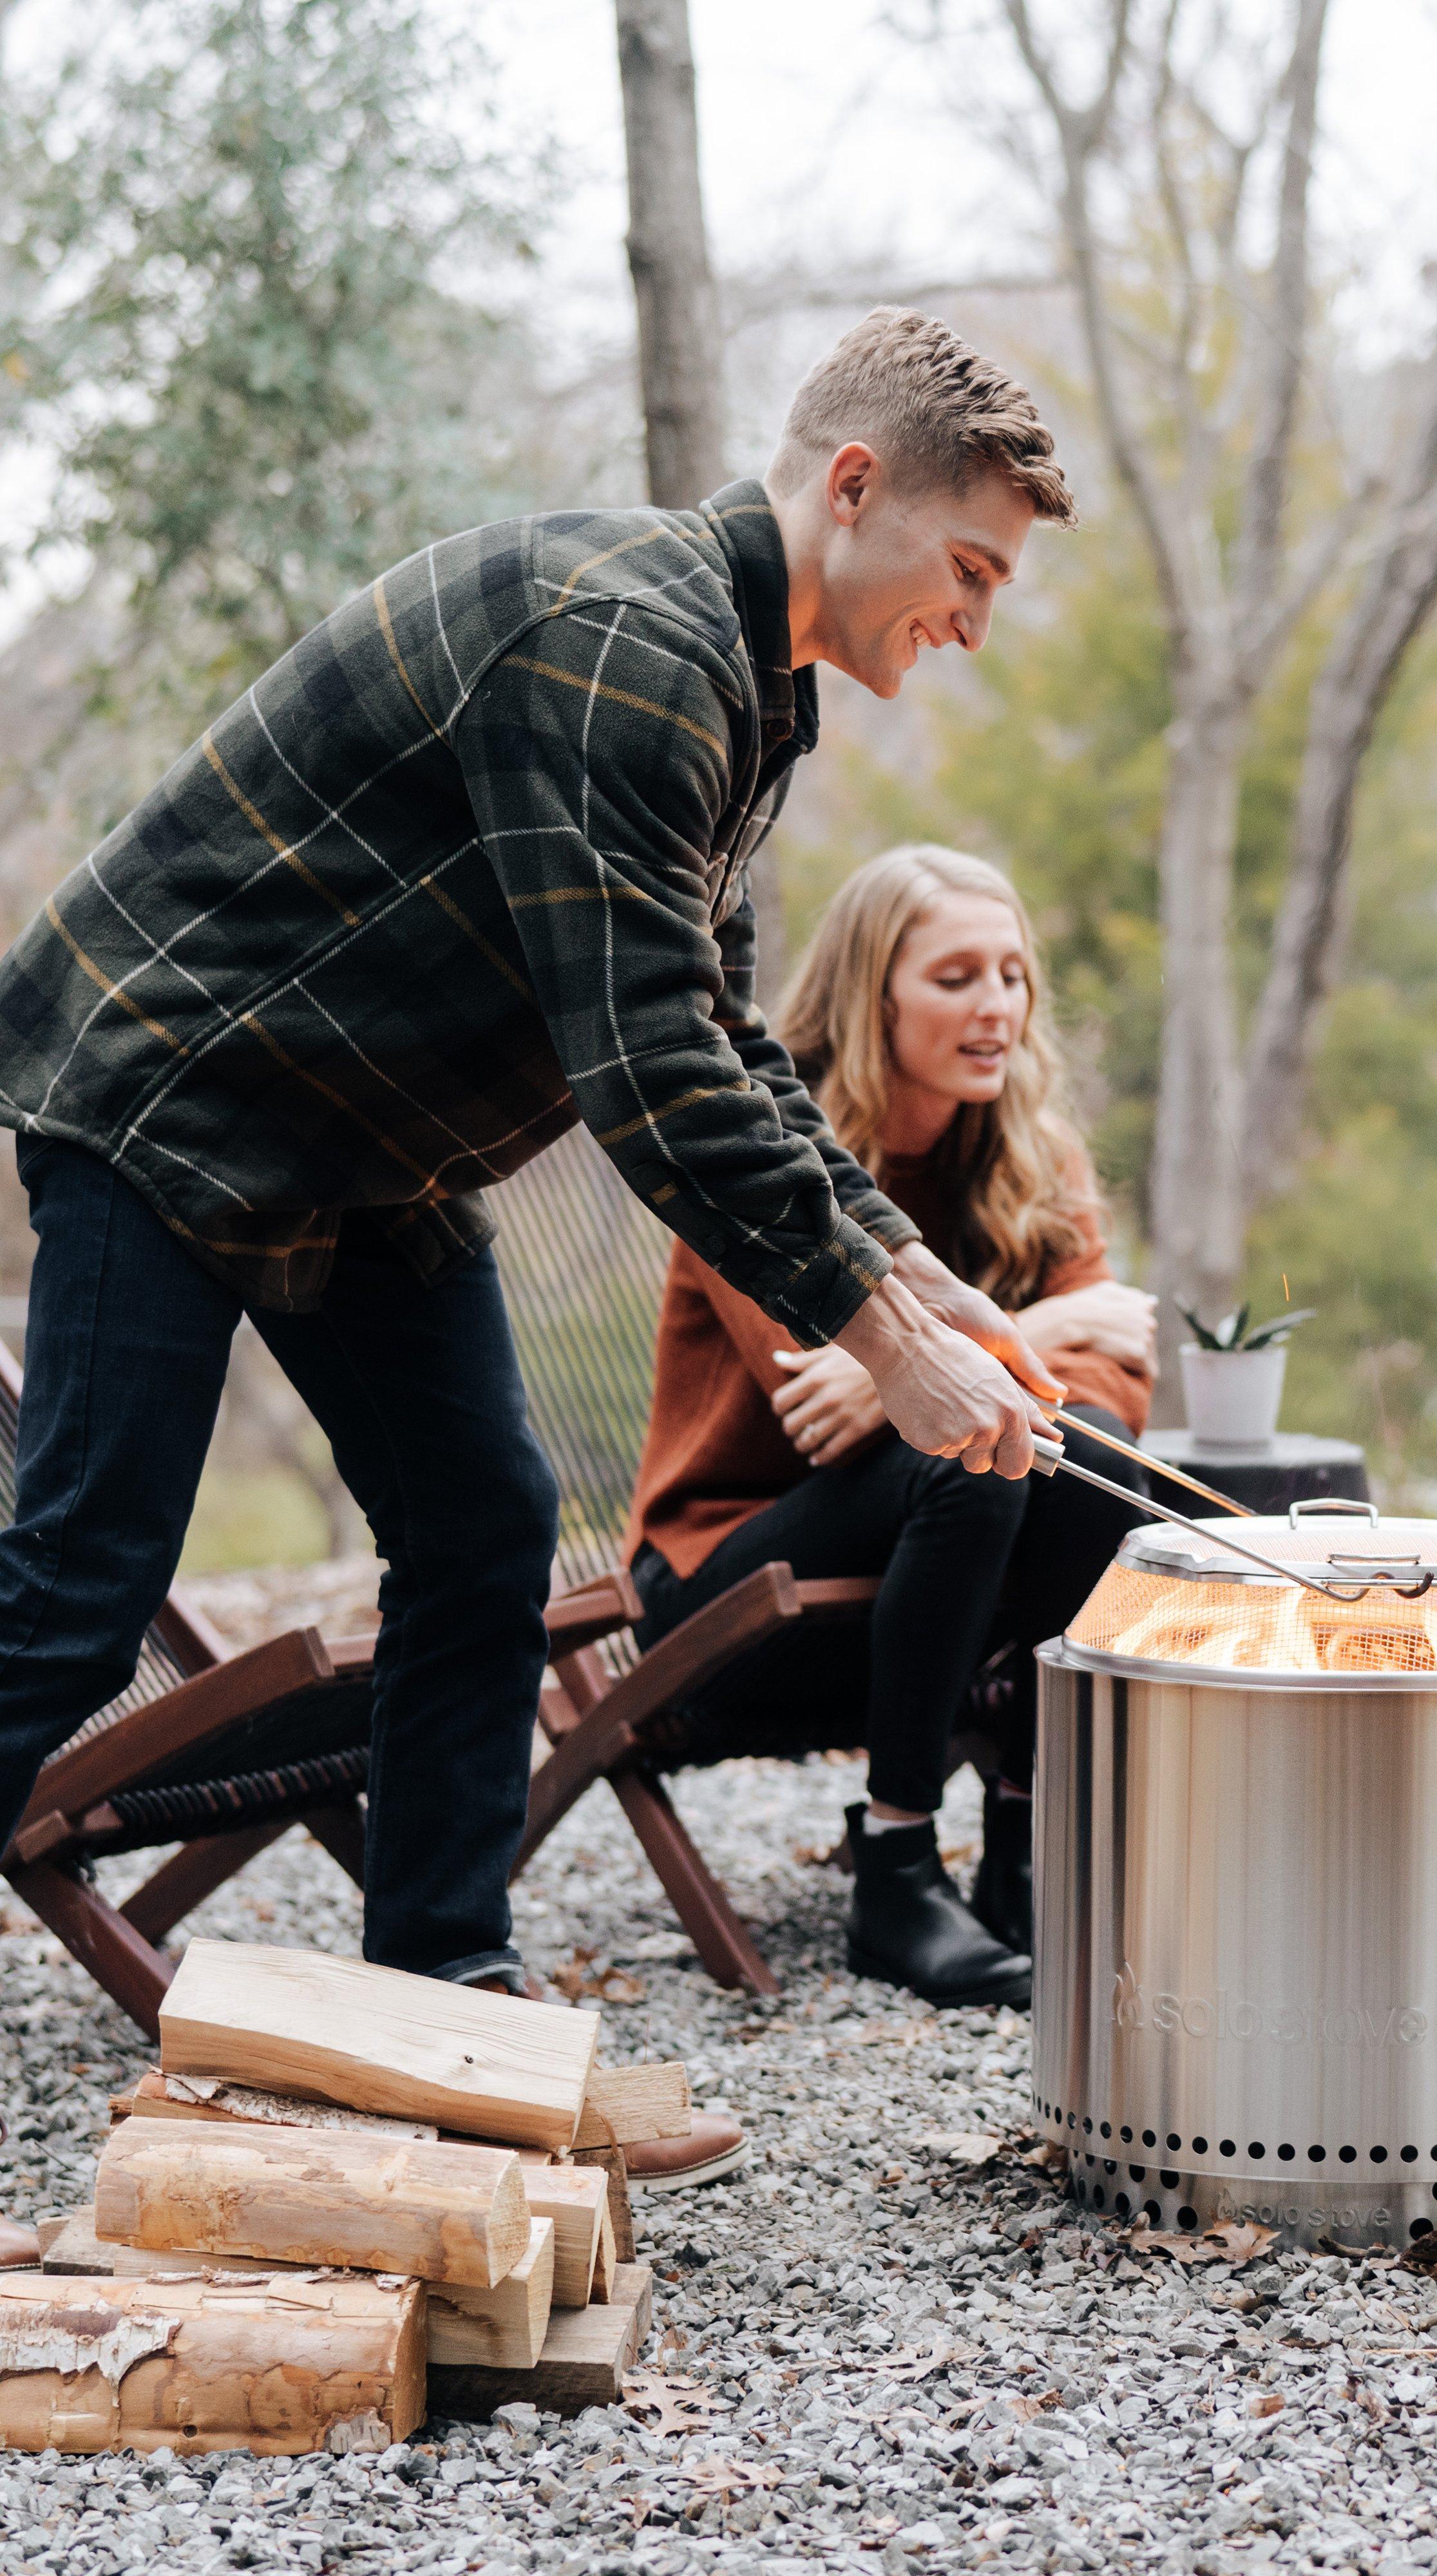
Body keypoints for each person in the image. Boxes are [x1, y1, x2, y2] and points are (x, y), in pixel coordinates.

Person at [0, 308, 1073, 2244]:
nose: (978, 619)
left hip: (361, 1152)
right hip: (173, 1100)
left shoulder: (745, 692)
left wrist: (921, 1287)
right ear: (854, 489)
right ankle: (442, 2000)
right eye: (972, 567)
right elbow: (645, 1065)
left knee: (484, 1525)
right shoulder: (633, 637)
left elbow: (725, 1035)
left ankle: (440, 2016)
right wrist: (872, 1345)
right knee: (74, 1596)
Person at [625, 846, 1154, 2008]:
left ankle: (1022, 1853)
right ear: (876, 994)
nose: (998, 1007)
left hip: (905, 1585)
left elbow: (1119, 1389)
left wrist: (942, 1359)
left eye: (1014, 976)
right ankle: (899, 1871)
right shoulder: (763, 1151)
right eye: (958, 976)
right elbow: (814, 1401)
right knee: (966, 1455)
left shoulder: (1031, 1152)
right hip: (723, 1595)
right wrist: (1039, 1328)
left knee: (1085, 1463)